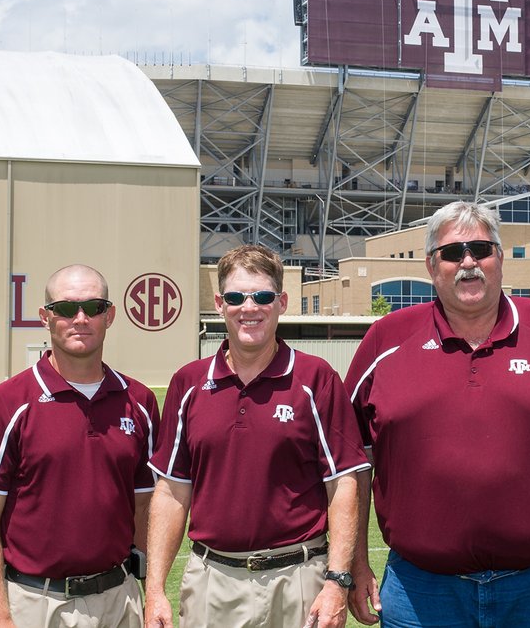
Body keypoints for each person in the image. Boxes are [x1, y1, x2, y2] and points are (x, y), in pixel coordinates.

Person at [345, 201, 530, 626]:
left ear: (500, 257)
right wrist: (354, 562)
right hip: (421, 589)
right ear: (431, 265)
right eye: (452, 253)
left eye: (480, 249)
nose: (468, 263)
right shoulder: (385, 339)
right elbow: (351, 461)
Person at [145, 244, 369, 628]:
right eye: (236, 297)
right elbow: (171, 492)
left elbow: (343, 484)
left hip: (299, 579)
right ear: (220, 304)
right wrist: (154, 590)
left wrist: (336, 582)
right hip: (212, 581)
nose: (249, 308)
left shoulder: (316, 378)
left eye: (262, 296)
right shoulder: (188, 383)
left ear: (281, 302)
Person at [0, 264, 157, 628]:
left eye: (93, 307)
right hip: (36, 603)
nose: (80, 319)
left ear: (109, 315)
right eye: (65, 308)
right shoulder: (5, 402)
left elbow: (144, 506)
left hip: (120, 599)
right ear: (45, 317)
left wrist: (152, 591)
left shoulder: (139, 400)